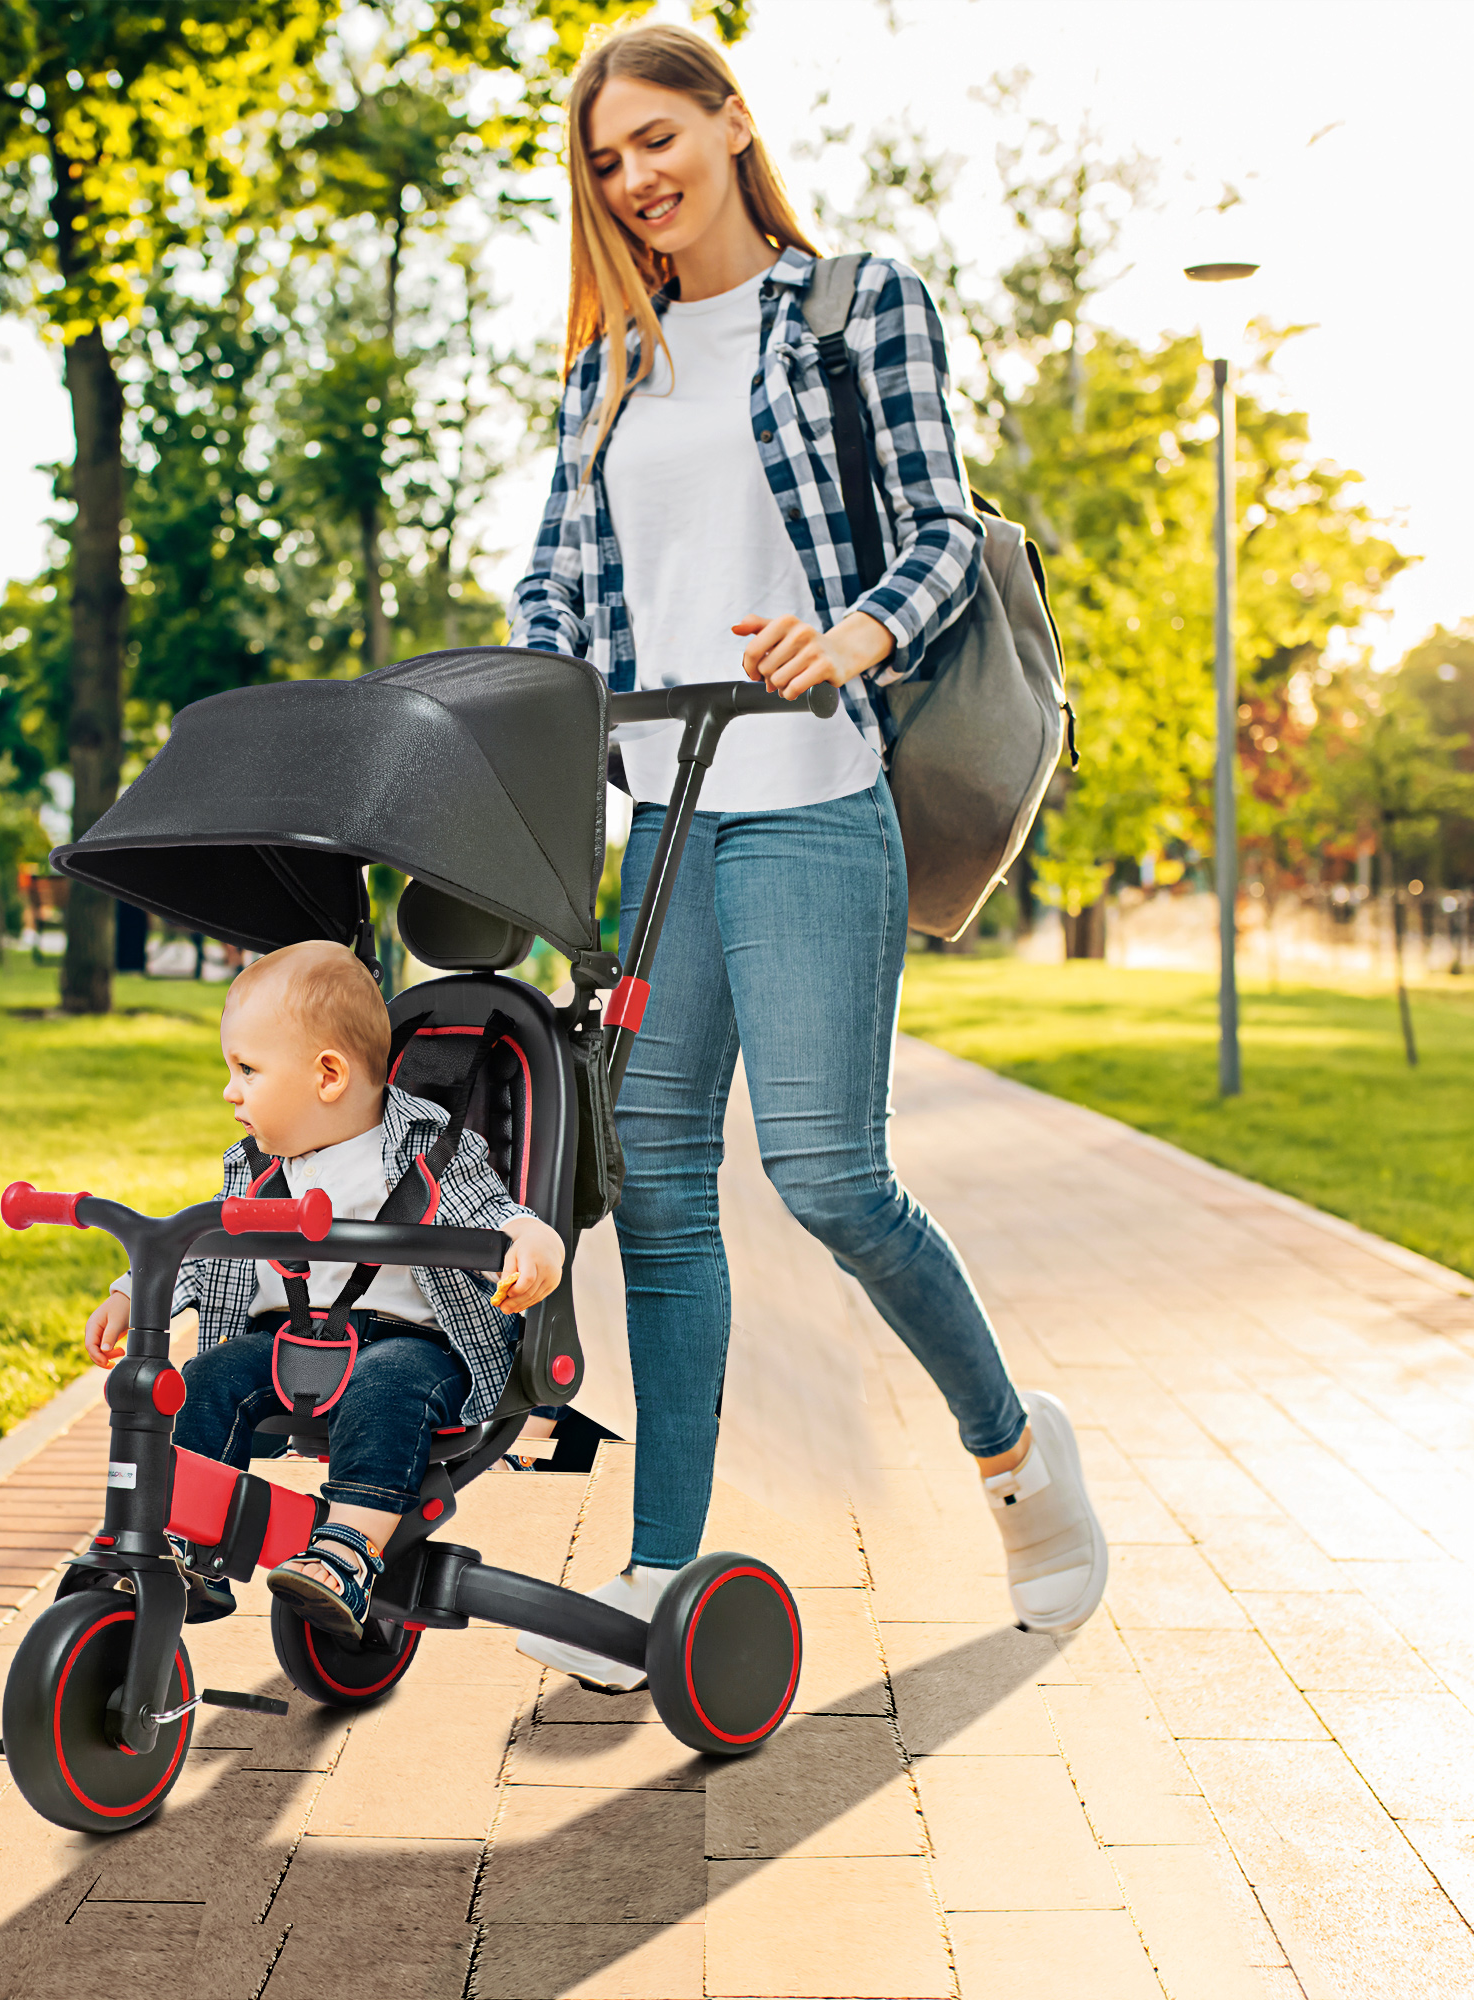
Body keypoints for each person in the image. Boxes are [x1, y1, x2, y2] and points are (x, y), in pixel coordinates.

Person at [507, 23, 1106, 1689]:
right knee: (662, 1187)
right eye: (604, 160)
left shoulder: (857, 309)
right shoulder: (602, 370)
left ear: (728, 119)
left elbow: (937, 528)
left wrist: (849, 636)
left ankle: (1014, 1456)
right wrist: (536, 699)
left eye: (653, 138)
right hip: (667, 817)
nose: (633, 180)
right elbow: (553, 584)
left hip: (818, 789)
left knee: (833, 1176)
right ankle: (656, 1567)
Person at [85, 940, 566, 1639]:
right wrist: (135, 1292)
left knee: (387, 1385)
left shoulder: (426, 1146)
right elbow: (202, 1247)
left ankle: (348, 1551)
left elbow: (495, 1214)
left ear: (329, 1075)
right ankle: (186, 1544)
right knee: (207, 1379)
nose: (229, 1090)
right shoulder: (254, 1163)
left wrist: (533, 1242)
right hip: (293, 1340)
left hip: (415, 1345)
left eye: (246, 1069)